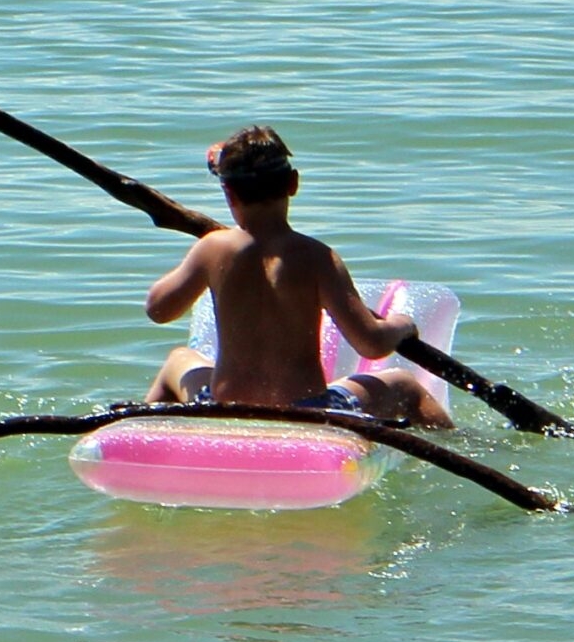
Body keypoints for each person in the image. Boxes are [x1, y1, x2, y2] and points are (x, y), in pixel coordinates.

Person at [138, 125, 453, 428]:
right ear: (293, 184)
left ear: (229, 193)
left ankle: (141, 435)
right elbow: (371, 344)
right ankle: (465, 444)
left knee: (179, 359)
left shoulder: (212, 250)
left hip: (225, 408)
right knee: (403, 384)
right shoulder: (318, 257)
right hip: (309, 413)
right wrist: (401, 325)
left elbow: (158, 309)